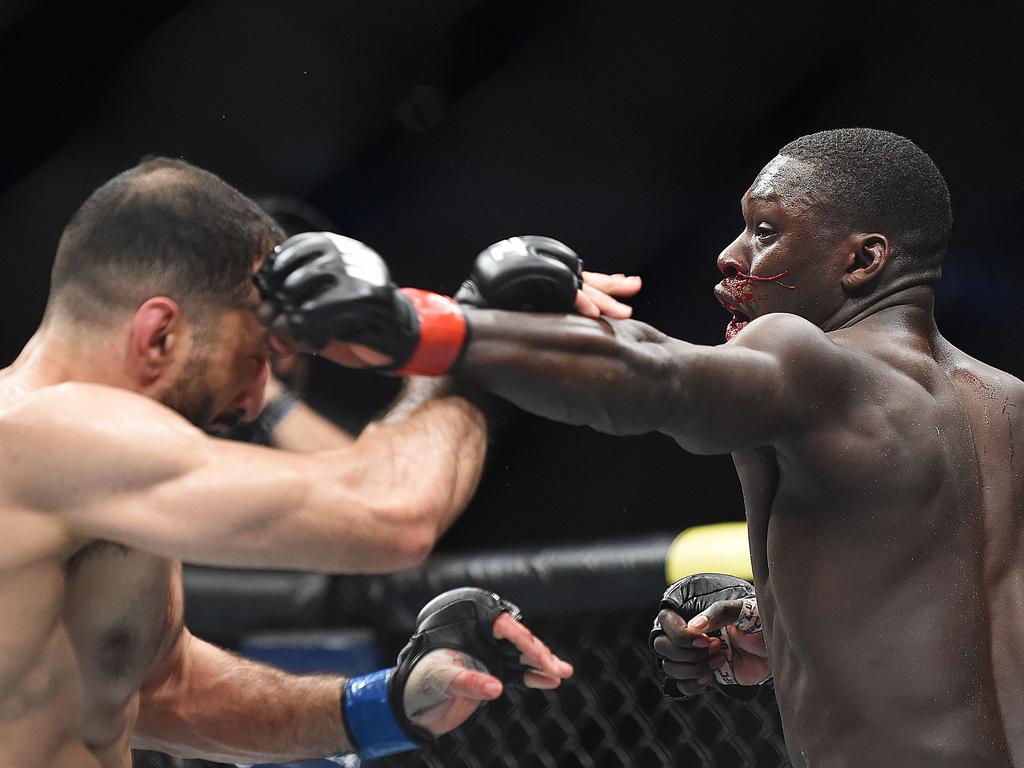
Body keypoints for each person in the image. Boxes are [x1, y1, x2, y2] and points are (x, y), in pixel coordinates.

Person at [309, 129, 1023, 766]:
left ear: (864, 259)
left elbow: (658, 376)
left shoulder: (814, 361)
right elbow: (963, 622)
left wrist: (424, 325)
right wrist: (775, 622)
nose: (730, 254)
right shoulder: (1008, 407)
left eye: (766, 230)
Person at [0, 156, 642, 767]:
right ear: (159, 334)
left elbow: (166, 690)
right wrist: (464, 340)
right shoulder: (47, 431)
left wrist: (390, 705)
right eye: (254, 356)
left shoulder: (99, 470)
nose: (255, 403)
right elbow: (392, 515)